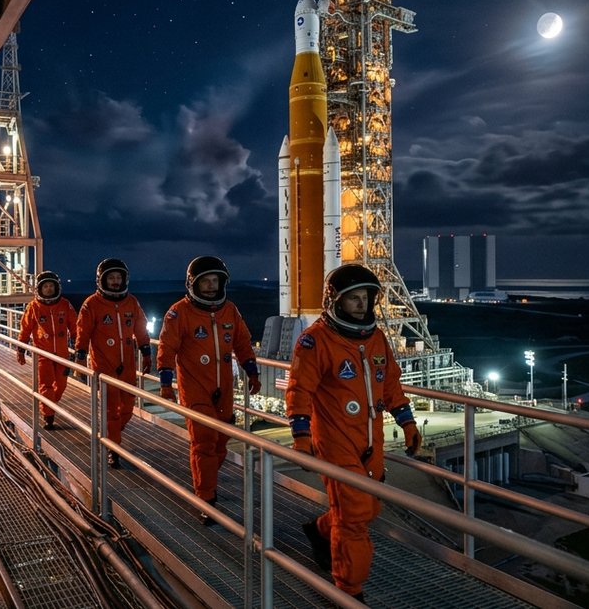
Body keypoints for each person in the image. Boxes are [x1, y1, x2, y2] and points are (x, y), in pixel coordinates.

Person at [285, 264, 421, 602]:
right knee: (356, 516)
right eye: (353, 299)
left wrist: (407, 422)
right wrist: (301, 437)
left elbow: (389, 384)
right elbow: (299, 389)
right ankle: (348, 590)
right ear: (335, 301)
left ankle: (319, 531)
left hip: (369, 441)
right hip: (334, 440)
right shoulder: (315, 340)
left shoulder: (375, 338)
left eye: (365, 298)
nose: (361, 305)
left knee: (367, 508)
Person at [157, 256, 261, 525]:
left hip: (223, 389)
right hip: (195, 389)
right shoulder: (179, 313)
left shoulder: (230, 311)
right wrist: (166, 382)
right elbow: (167, 347)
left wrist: (252, 371)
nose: (211, 286)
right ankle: (206, 498)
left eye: (216, 281)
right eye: (206, 282)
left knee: (221, 441)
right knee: (203, 441)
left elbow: (243, 342)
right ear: (194, 283)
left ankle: (208, 480)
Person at [74, 258, 151, 467]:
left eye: (118, 277)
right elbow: (83, 331)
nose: (116, 282)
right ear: (102, 280)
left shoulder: (131, 303)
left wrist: (146, 351)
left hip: (127, 365)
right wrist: (80, 355)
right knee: (111, 409)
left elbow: (141, 327)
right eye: (111, 278)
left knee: (127, 407)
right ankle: (112, 449)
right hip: (103, 365)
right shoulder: (92, 304)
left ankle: (112, 432)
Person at [16, 270, 78, 429]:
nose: (49, 289)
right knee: (46, 385)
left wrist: (79, 346)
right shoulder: (34, 307)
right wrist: (20, 349)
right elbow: (25, 329)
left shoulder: (65, 305)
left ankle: (49, 403)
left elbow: (75, 326)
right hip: (43, 354)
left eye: (52, 286)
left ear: (57, 288)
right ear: (40, 289)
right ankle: (48, 416)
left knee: (62, 385)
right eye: (46, 287)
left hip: (63, 354)